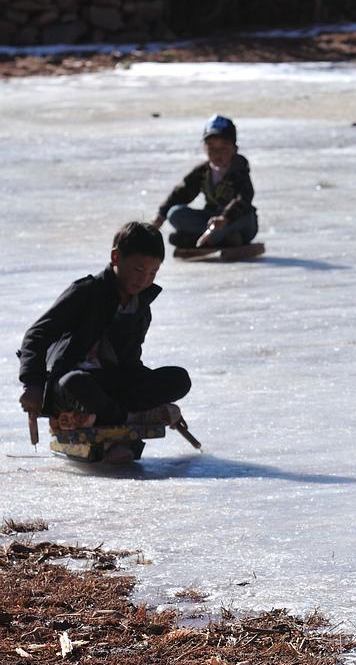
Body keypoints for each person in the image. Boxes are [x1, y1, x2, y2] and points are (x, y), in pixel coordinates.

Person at [17, 222, 191, 463]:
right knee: (76, 382)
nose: (144, 280)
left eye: (153, 273)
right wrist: (33, 385)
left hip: (110, 385)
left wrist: (158, 396)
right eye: (139, 269)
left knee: (178, 379)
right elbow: (36, 335)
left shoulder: (139, 308)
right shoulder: (86, 292)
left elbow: (130, 365)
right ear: (116, 257)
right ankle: (131, 418)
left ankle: (110, 416)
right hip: (69, 384)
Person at [152, 114, 258, 249]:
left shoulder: (239, 169)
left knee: (245, 219)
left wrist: (225, 218)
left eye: (223, 148)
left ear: (235, 149)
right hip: (211, 219)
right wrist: (161, 216)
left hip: (237, 220)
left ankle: (208, 238)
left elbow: (244, 197)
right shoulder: (203, 171)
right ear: (205, 148)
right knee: (175, 213)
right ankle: (218, 238)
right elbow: (182, 192)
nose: (217, 153)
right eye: (212, 148)